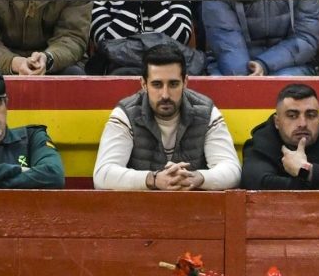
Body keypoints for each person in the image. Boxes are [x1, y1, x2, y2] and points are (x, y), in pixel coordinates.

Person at [93, 45, 241, 191]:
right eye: (157, 84)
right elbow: (102, 175)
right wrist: (154, 179)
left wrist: (195, 178)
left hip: (193, 204)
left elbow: (232, 170)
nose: (165, 95)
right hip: (139, 205)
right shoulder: (126, 114)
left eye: (173, 84)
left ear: (185, 82)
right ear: (143, 84)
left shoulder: (205, 111)